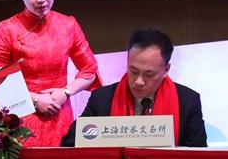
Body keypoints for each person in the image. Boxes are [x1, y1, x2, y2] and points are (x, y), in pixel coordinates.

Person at [0, 0, 101, 146]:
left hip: (60, 116)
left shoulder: (68, 25)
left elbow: (90, 70)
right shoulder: (6, 30)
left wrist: (66, 92)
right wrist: (35, 99)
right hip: (18, 122)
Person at [61, 28, 207, 147]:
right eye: (133, 71)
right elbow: (70, 143)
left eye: (149, 74)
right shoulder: (102, 98)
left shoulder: (188, 101)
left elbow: (198, 156)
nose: (138, 81)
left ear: (166, 70)